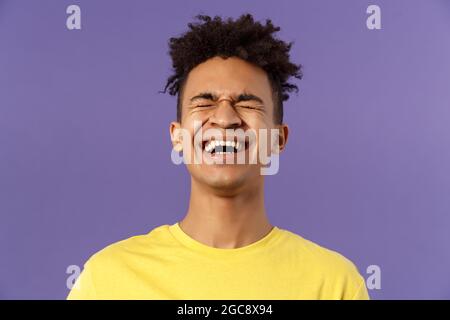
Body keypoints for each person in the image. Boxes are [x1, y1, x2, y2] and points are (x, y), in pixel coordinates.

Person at [67, 13, 369, 300]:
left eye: (247, 104)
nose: (225, 118)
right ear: (177, 136)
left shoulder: (334, 283)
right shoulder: (108, 280)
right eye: (204, 103)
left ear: (278, 139)